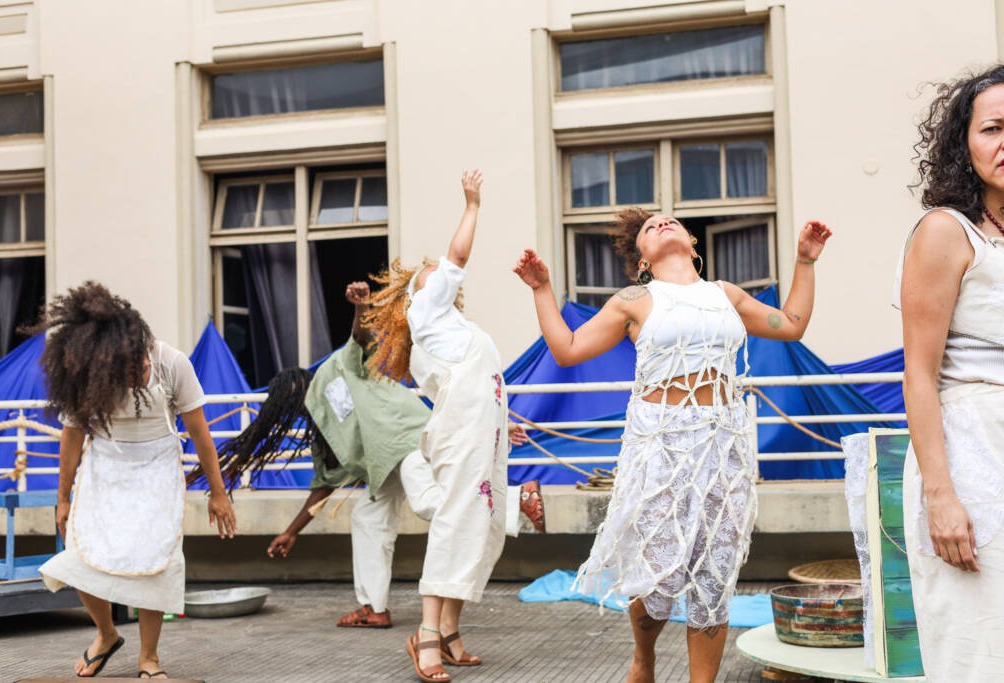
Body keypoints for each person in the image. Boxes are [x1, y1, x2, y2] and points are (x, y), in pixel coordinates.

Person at [513, 211, 830, 683]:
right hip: (660, 446)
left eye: (670, 220)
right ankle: (644, 657)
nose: (662, 223)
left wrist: (805, 261)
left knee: (715, 575)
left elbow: (791, 325)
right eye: (649, 226)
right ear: (641, 258)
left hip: (723, 448)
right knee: (658, 576)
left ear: (691, 241)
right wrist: (541, 290)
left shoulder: (724, 294)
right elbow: (568, 349)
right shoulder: (635, 299)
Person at [200, 281, 541, 633]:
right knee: (367, 518)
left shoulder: (334, 371)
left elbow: (359, 341)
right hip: (385, 466)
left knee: (427, 502)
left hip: (406, 440)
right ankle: (373, 608)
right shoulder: (320, 425)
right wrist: (291, 533)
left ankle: (515, 501)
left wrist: (361, 308)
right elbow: (323, 487)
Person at [38, 281, 236, 680]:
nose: (135, 377)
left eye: (139, 367)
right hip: (105, 465)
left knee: (155, 560)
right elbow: (72, 436)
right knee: (79, 556)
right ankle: (107, 635)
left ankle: (149, 658)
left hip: (158, 464)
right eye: (124, 373)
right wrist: (62, 498)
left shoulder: (172, 363)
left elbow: (200, 434)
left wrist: (218, 493)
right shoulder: (92, 372)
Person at [365, 170, 512, 682]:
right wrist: (472, 205)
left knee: (484, 526)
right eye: (429, 269)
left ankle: (449, 632)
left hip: (480, 433)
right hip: (461, 435)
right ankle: (427, 634)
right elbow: (459, 258)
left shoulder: (452, 329)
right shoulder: (424, 306)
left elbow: (475, 389)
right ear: (413, 293)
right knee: (457, 521)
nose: (437, 269)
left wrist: (501, 426)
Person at [898, 64, 1004, 681]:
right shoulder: (946, 231)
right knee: (979, 647)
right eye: (992, 128)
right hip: (972, 459)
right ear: (963, 143)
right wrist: (942, 498)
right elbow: (918, 373)